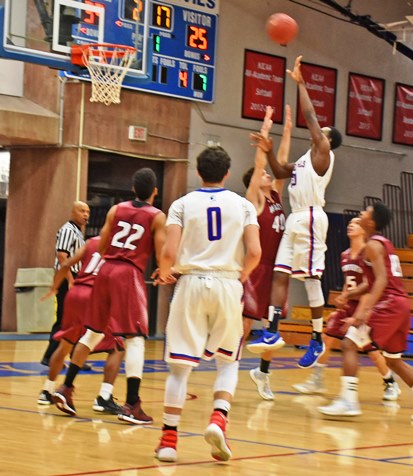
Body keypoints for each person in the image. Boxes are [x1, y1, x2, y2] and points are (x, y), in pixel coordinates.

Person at [154, 146, 261, 463]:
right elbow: (254, 252)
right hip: (228, 285)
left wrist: (164, 273)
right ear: (227, 173)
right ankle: (218, 418)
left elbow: (170, 254)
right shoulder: (243, 205)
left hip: (190, 284)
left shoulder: (182, 204)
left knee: (179, 367)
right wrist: (242, 275)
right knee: (228, 362)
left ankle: (170, 441)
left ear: (198, 172)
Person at [247, 55, 343, 369]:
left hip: (313, 217)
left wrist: (301, 84)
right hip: (296, 217)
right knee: (280, 272)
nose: (316, 131)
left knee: (312, 280)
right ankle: (272, 331)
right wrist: (269, 151)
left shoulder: (323, 153)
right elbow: (278, 170)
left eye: (321, 131)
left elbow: (310, 114)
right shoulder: (305, 159)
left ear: (327, 139)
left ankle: (316, 338)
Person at [52, 168, 166, 424]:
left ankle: (66, 388)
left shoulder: (116, 210)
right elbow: (162, 252)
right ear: (155, 192)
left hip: (105, 270)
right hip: (128, 274)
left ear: (133, 189)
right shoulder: (157, 216)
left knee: (92, 332)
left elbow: (102, 245)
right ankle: (132, 405)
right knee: (135, 339)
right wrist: (164, 270)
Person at [318, 203, 413, 416]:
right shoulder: (380, 243)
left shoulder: (373, 245)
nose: (360, 214)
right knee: (393, 361)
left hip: (388, 304)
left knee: (349, 343)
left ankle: (349, 401)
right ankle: (348, 400)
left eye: (364, 212)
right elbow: (371, 282)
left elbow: (381, 280)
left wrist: (362, 313)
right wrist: (349, 295)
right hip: (400, 305)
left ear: (371, 221)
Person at [292, 217, 401, 401]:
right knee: (328, 337)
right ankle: (317, 379)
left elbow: (369, 287)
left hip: (364, 307)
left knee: (371, 350)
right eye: (350, 222)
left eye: (356, 223)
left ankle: (390, 382)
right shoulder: (345, 254)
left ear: (364, 229)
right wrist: (343, 298)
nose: (351, 225)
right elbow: (348, 282)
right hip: (349, 305)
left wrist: (360, 314)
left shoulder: (368, 253)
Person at [37, 236, 125, 414]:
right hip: (94, 296)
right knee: (118, 347)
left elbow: (65, 264)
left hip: (75, 293)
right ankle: (104, 397)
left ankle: (47, 391)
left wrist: (54, 287)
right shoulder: (121, 247)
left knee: (65, 344)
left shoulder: (92, 242)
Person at [242, 104, 291, 401]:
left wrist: (285, 130)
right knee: (247, 323)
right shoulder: (254, 200)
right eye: (264, 176)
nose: (269, 177)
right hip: (258, 268)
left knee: (272, 328)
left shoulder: (276, 195)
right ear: (255, 180)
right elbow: (262, 163)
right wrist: (265, 128)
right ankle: (230, 365)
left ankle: (263, 373)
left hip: (277, 270)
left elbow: (279, 161)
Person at [41, 200, 90, 367]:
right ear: (73, 212)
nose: (86, 215)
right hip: (66, 278)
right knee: (63, 319)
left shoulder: (77, 232)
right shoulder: (68, 230)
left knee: (75, 319)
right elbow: (62, 256)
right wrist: (70, 280)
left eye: (87, 212)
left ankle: (74, 357)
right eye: (82, 211)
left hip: (74, 277)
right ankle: (49, 356)